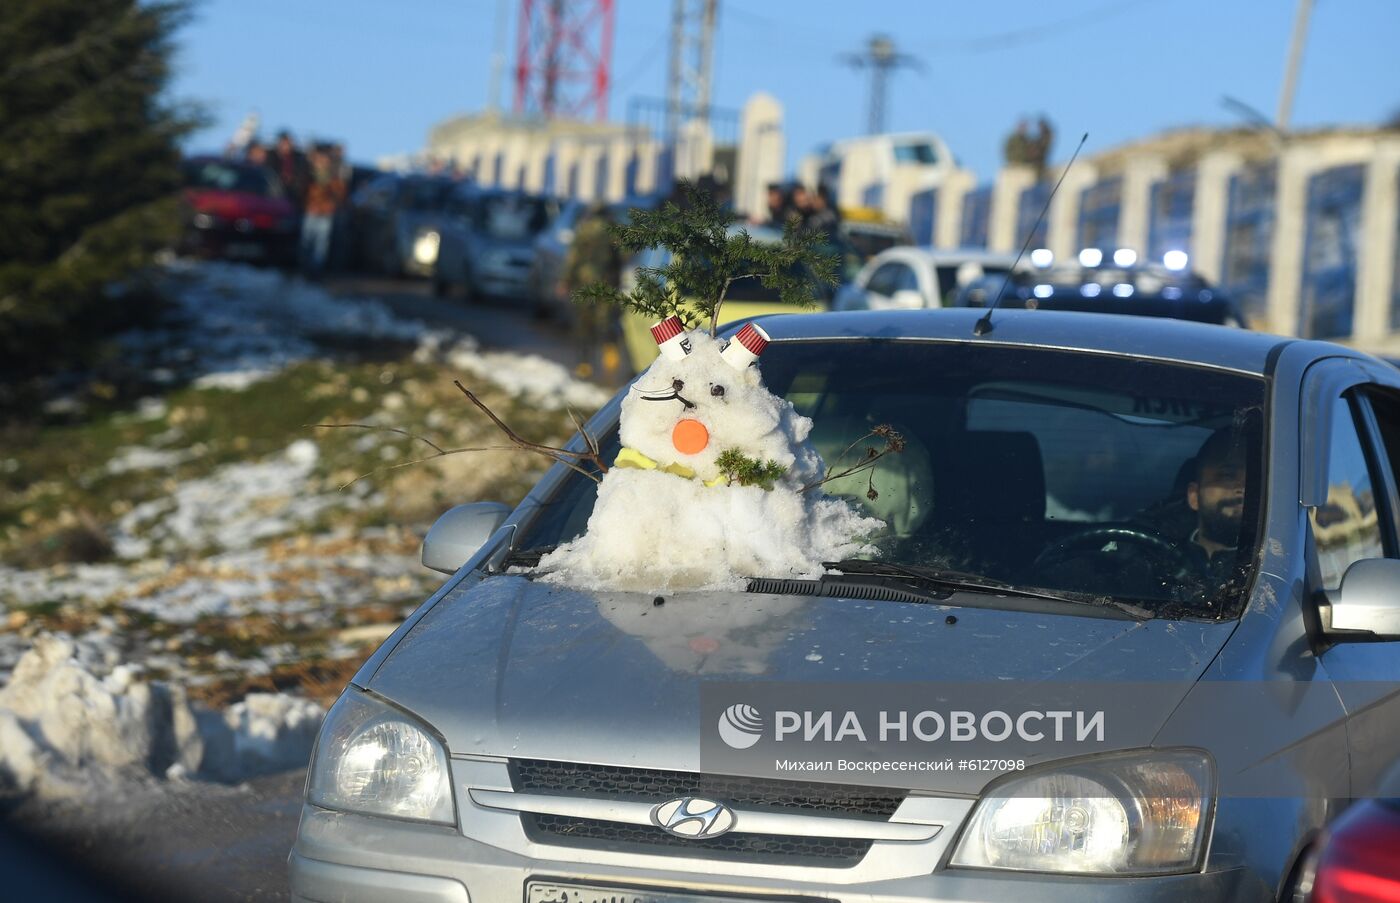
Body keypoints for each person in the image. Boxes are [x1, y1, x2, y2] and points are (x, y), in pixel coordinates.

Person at [563, 202, 623, 380]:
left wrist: (565, 280)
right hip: (607, 285)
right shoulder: (614, 232)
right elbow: (623, 258)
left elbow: (573, 257)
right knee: (606, 321)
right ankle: (610, 356)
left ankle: (584, 364)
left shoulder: (584, 230)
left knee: (584, 325)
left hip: (584, 284)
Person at [298, 145, 346, 279]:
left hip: (325, 213)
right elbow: (301, 192)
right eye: (319, 160)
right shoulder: (308, 174)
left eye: (324, 160)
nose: (321, 162)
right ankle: (304, 269)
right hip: (311, 211)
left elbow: (340, 194)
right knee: (306, 242)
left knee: (321, 244)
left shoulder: (333, 178)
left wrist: (331, 204)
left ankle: (316, 270)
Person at [266, 130, 309, 208]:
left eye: (287, 143)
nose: (286, 146)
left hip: (294, 195)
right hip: (276, 194)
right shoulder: (272, 157)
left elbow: (303, 174)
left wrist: (297, 186)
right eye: (283, 143)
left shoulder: (299, 158)